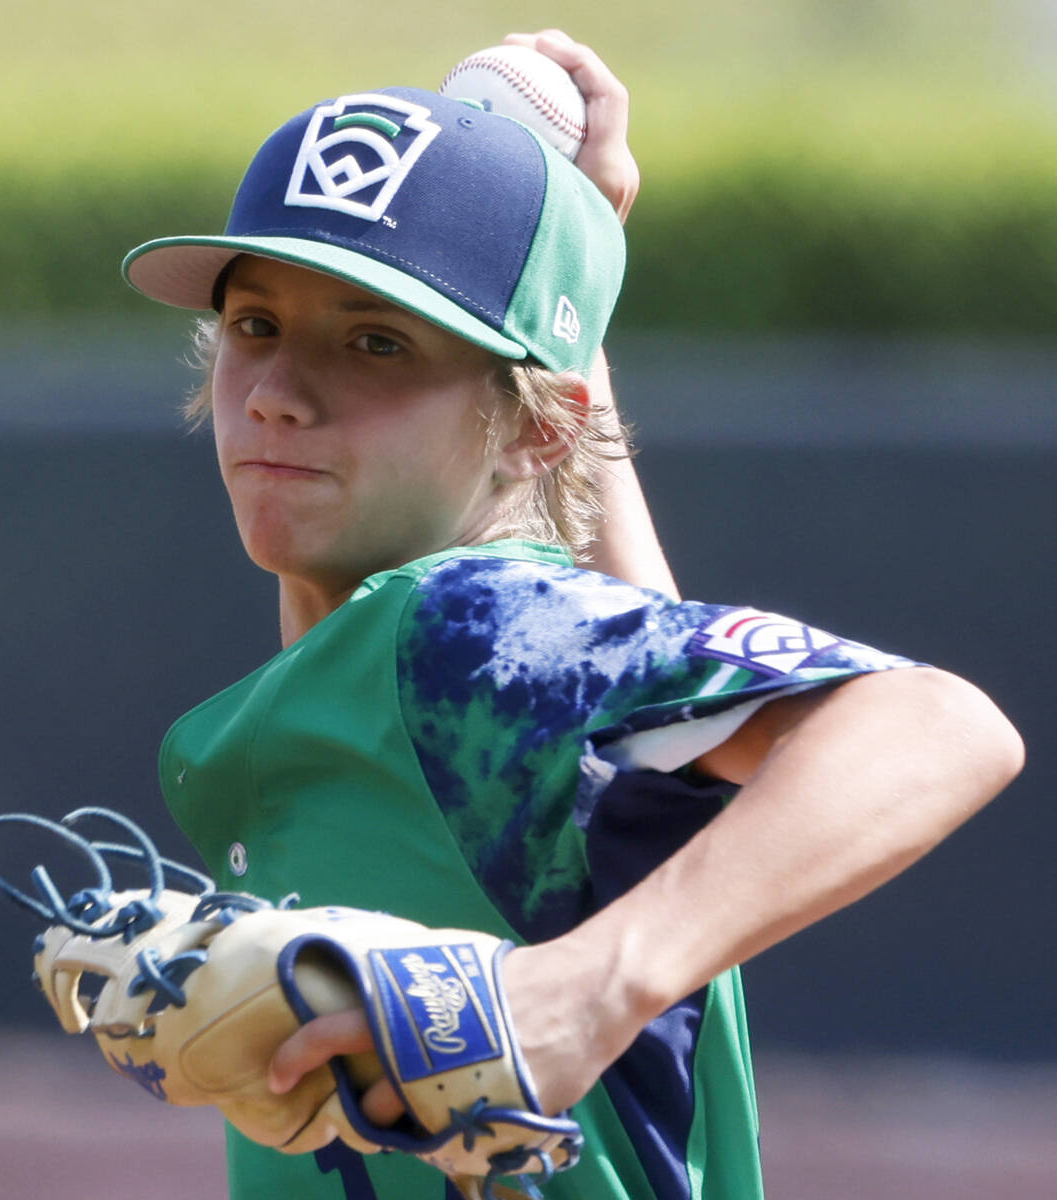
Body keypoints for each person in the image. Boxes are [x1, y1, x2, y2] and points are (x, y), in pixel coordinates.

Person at [120, 30, 1023, 1200]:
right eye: (257, 326)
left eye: (376, 341)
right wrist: (566, 285)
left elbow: (940, 723)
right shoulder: (433, 669)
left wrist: (583, 988)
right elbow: (657, 763)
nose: (280, 395)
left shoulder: (464, 633)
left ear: (541, 426)